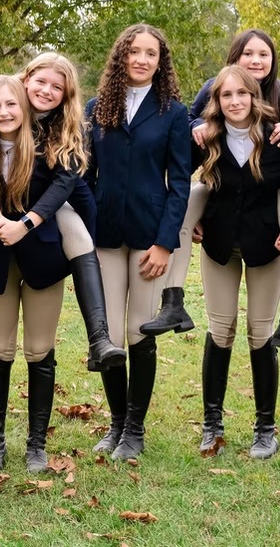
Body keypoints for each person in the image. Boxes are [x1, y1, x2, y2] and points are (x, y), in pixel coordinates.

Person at [0, 52, 124, 386]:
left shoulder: (67, 128)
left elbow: (68, 188)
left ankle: (99, 339)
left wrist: (37, 225)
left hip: (52, 209)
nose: (46, 90)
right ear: (26, 78)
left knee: (77, 232)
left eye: (56, 87)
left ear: (67, 94)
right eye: (41, 81)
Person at [146, 29, 280, 354]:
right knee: (188, 199)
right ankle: (172, 301)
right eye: (248, 53)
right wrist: (197, 127)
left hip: (275, 185)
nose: (255, 60)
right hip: (223, 183)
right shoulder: (215, 87)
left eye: (263, 54)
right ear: (234, 58)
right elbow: (190, 124)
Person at [190, 66, 280, 460]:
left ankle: (265, 429)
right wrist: (192, 219)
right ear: (217, 101)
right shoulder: (208, 139)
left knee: (260, 332)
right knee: (221, 329)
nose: (235, 101)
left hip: (266, 249)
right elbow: (179, 178)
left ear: (254, 97)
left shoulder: (276, 138)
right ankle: (212, 424)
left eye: (242, 94)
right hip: (219, 246)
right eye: (226, 95)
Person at [85, 23, 191, 461]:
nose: (142, 59)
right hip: (105, 236)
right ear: (121, 56)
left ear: (160, 62)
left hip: (150, 239)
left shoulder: (174, 113)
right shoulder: (97, 109)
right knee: (108, 334)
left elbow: (180, 183)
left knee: (138, 331)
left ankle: (135, 428)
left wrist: (166, 243)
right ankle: (116, 423)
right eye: (135, 51)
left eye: (151, 53)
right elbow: (84, 176)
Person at [0, 75, 70, 472]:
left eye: (11, 104)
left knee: (39, 350)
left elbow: (65, 187)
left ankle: (36, 444)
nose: (4, 112)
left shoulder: (48, 144)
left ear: (24, 107)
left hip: (42, 256)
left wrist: (24, 224)